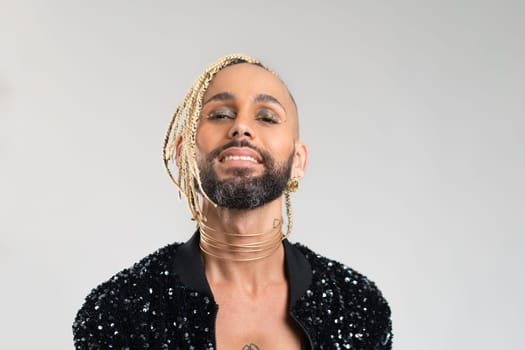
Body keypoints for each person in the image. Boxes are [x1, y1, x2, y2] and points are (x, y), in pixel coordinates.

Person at [73, 54, 393, 349]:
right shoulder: (120, 310)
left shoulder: (356, 307)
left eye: (267, 117)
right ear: (185, 151)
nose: (240, 126)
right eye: (221, 114)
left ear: (298, 160)